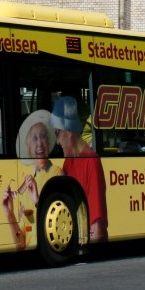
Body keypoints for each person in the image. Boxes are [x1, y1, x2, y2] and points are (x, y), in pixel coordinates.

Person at [52, 95, 108, 243]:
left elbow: (98, 230)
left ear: (69, 131)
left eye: (57, 133)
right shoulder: (68, 163)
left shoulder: (91, 160)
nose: (57, 142)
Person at [3, 109, 61, 249]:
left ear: (49, 141)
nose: (40, 143)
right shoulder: (27, 183)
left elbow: (59, 223)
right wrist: (9, 214)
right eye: (34, 138)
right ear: (28, 147)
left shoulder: (57, 174)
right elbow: (21, 243)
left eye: (43, 136)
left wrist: (37, 200)